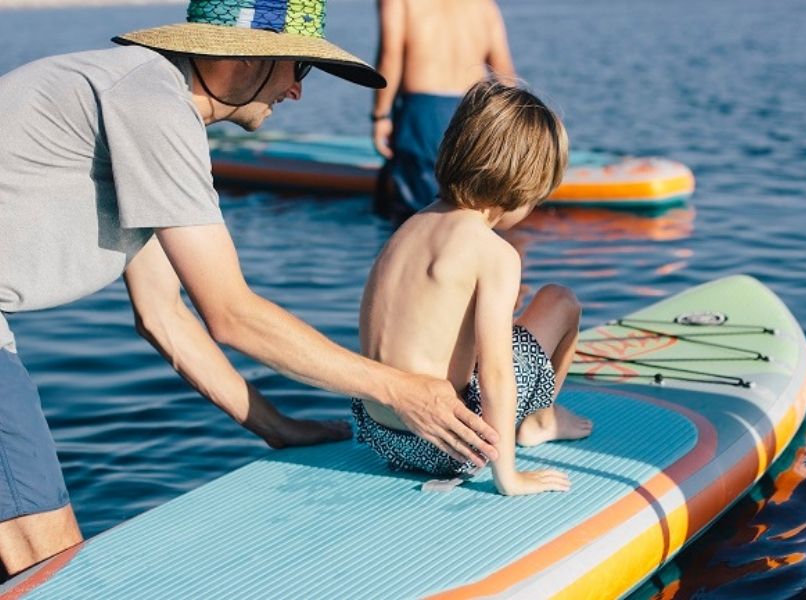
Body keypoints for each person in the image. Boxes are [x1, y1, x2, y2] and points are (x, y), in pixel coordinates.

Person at [0, 0, 500, 577]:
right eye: (299, 68)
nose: (297, 93)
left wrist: (278, 427)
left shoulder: (144, 100)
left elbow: (166, 317)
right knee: (46, 558)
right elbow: (231, 312)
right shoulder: (149, 101)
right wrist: (400, 389)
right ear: (247, 55)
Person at [353, 81, 593, 496]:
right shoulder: (494, 254)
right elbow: (497, 372)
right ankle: (540, 421)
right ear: (521, 189)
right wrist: (509, 479)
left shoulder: (409, 228)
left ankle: (540, 418)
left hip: (379, 433)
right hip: (451, 445)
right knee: (560, 301)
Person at [371, 0, 516, 219]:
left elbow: (390, 55)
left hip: (424, 113)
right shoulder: (484, 5)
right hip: (475, 111)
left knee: (418, 215)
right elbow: (503, 71)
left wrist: (380, 115)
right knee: (470, 209)